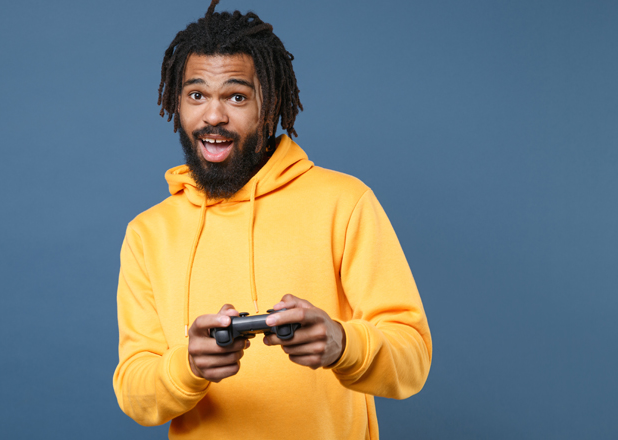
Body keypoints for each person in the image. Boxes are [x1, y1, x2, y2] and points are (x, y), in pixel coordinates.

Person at [112, 1, 432, 438]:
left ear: (271, 103)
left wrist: (342, 343)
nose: (213, 115)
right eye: (196, 95)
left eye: (236, 96)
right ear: (177, 102)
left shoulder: (345, 202)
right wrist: (186, 367)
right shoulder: (148, 234)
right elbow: (135, 396)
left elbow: (412, 363)